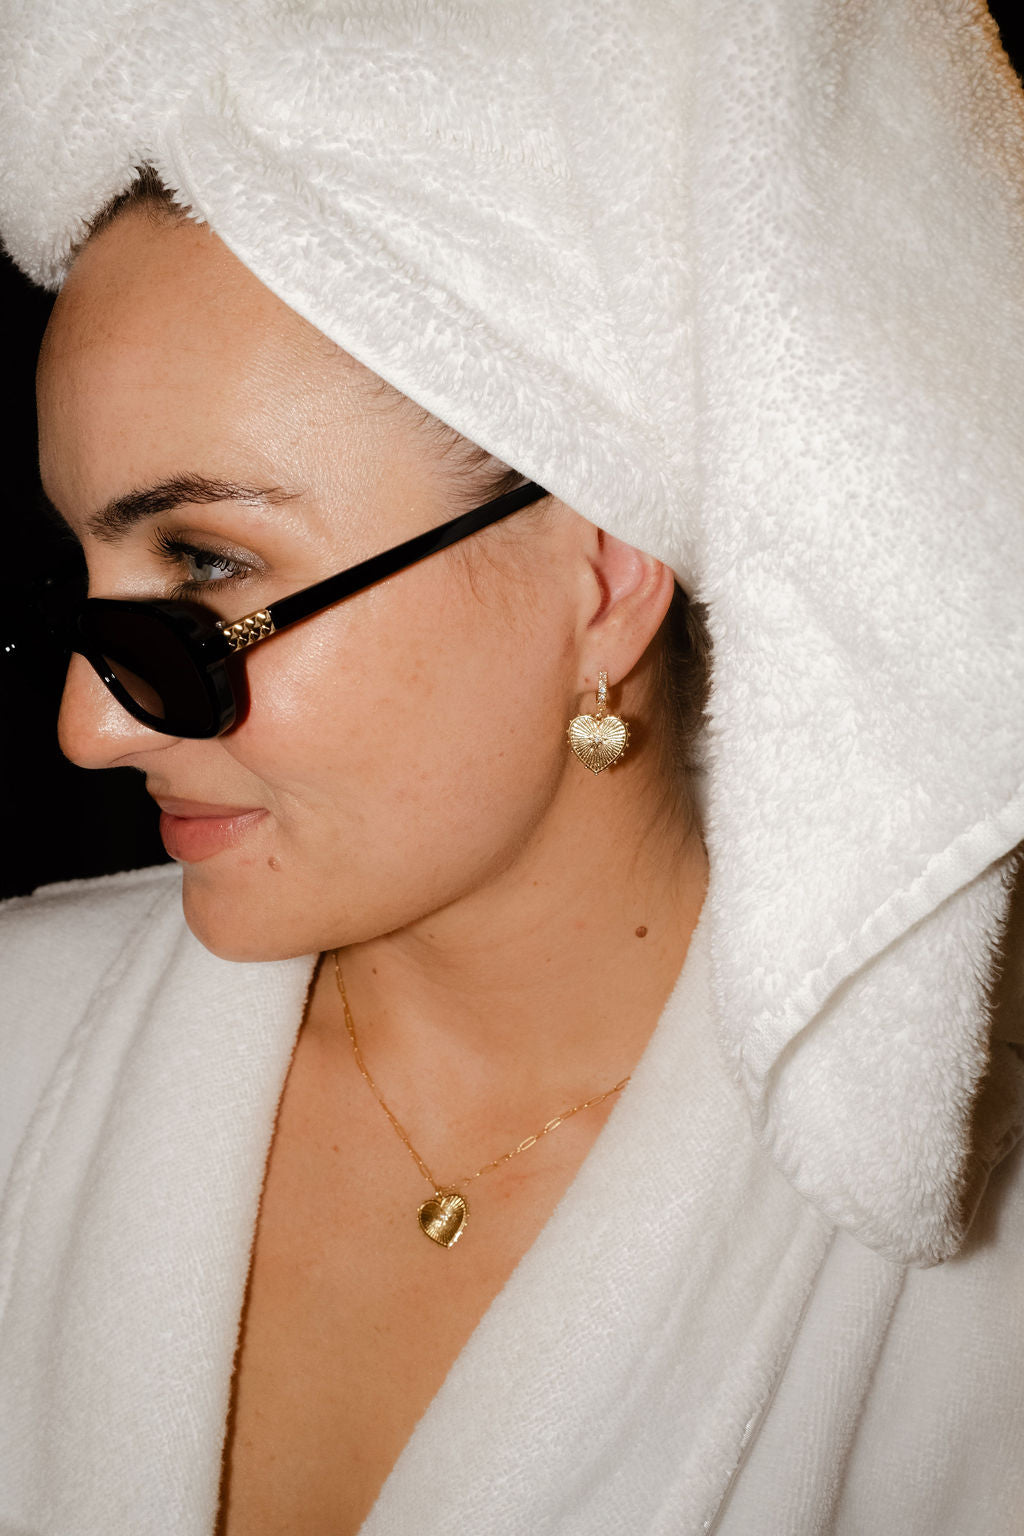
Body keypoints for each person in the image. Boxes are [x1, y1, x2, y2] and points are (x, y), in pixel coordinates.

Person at [1, 3, 1022, 1534]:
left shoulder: (982, 1306)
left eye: (204, 579)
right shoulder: (16, 1039)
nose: (90, 729)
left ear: (603, 580)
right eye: (86, 589)